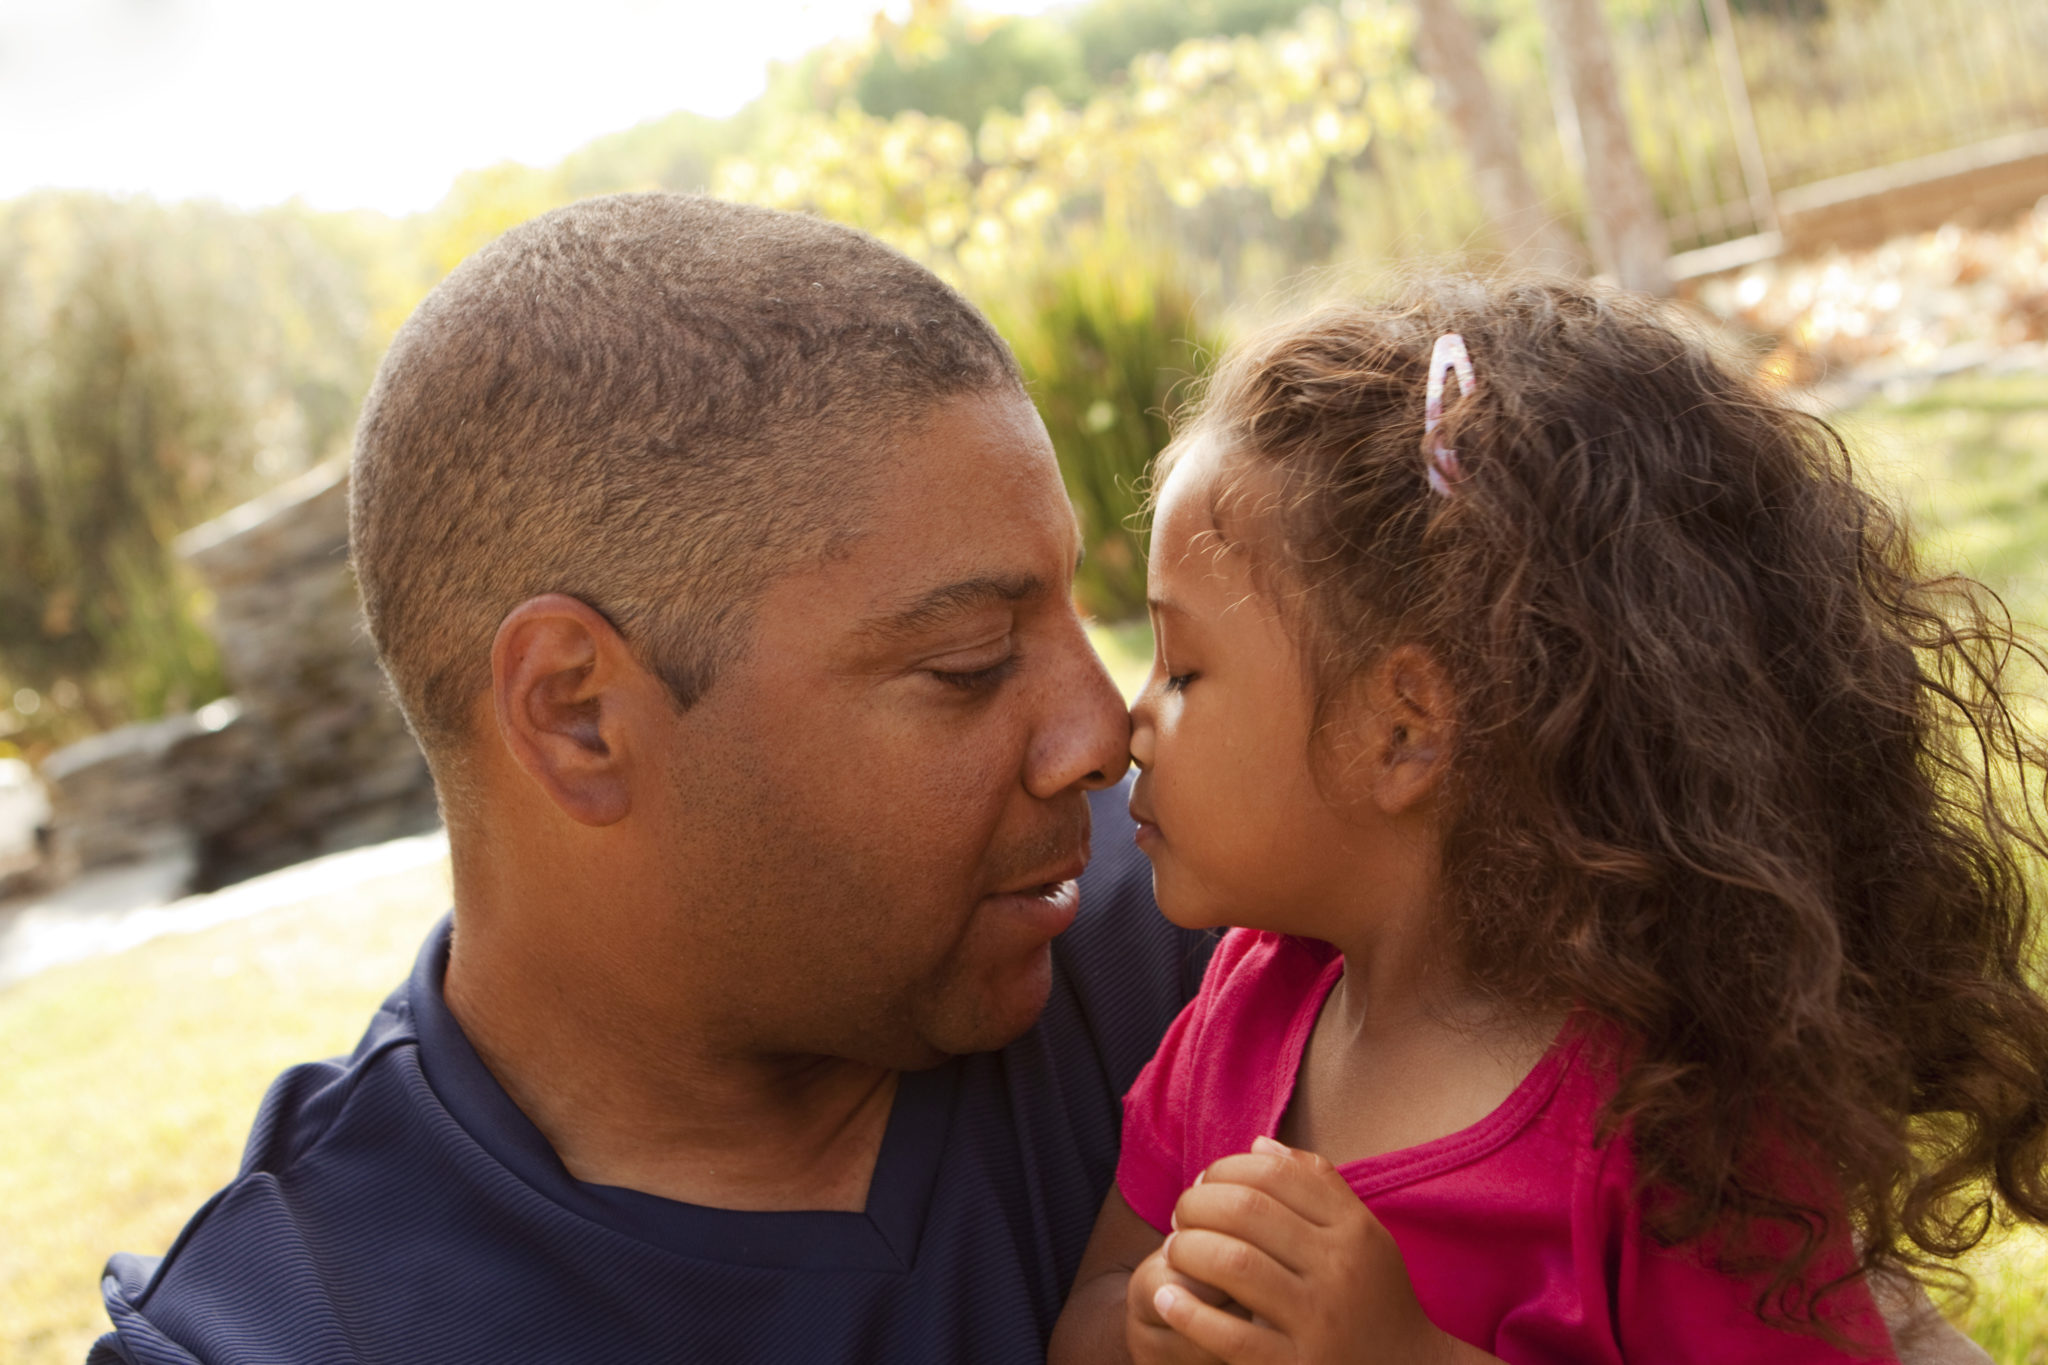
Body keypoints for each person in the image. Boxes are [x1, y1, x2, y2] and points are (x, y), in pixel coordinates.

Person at [91, 193, 1211, 1364]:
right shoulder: (285, 1336)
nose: (1101, 728)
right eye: (967, 662)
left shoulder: (1235, 949)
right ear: (575, 716)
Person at [1049, 279, 2048, 1364]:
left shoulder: (1677, 1126)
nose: (1129, 719)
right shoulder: (1241, 1013)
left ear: (1402, 732)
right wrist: (1149, 1319)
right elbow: (1088, 1315)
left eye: (1183, 668)